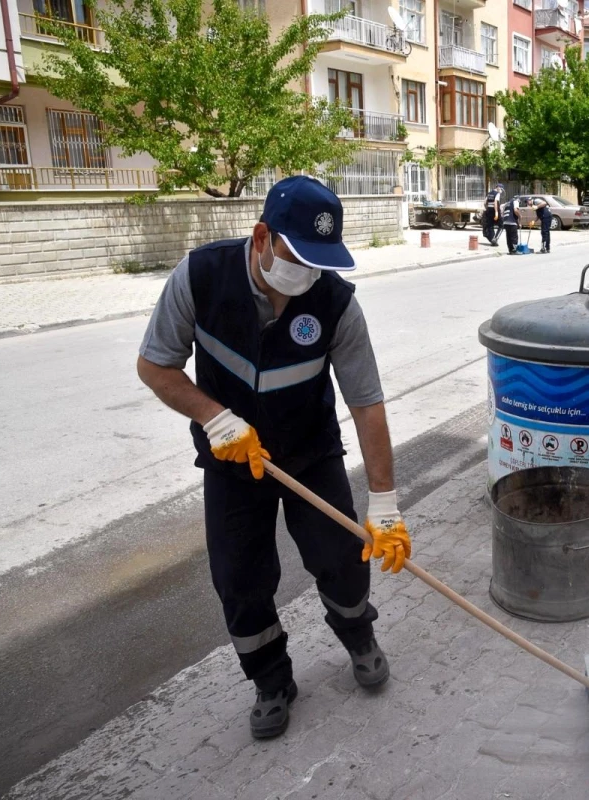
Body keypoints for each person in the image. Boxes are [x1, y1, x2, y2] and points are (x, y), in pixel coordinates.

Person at [136, 176, 411, 740]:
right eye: (297, 258)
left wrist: (384, 501)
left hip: (310, 455)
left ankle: (360, 638)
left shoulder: (334, 303)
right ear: (262, 236)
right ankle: (270, 680)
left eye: (319, 263)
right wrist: (214, 417)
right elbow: (155, 366)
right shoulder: (201, 277)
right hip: (232, 460)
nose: (306, 276)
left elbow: (367, 403)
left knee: (341, 560)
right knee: (239, 579)